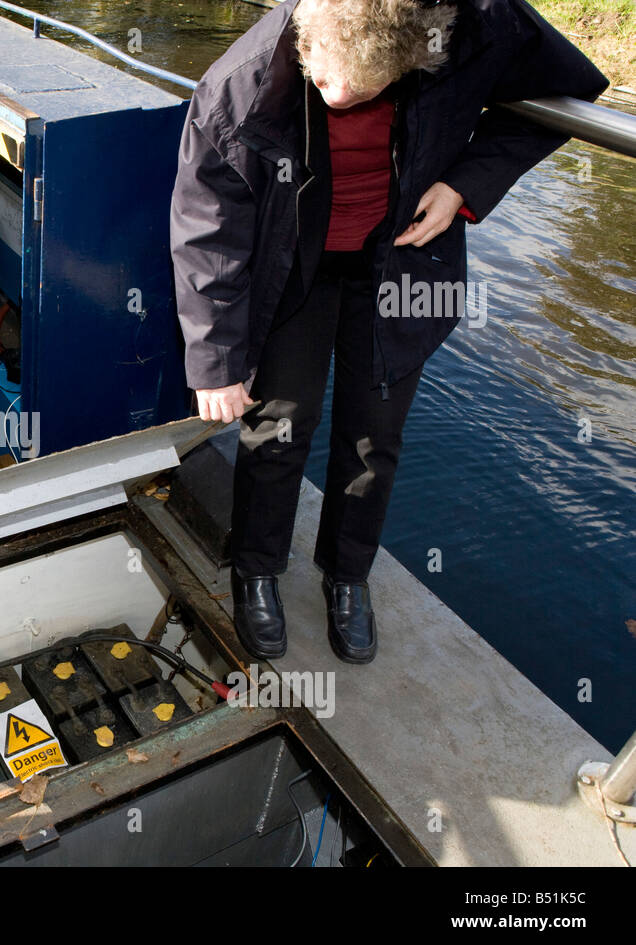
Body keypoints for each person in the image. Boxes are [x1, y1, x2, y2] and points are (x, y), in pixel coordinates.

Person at [170, 0, 606, 664]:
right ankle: (256, 568)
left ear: (415, 59)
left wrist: (464, 183)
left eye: (365, 91)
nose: (337, 97)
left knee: (375, 435)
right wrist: (215, 362)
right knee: (279, 425)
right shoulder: (243, 79)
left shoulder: (478, 22)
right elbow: (206, 226)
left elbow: (569, 89)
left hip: (399, 262)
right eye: (320, 82)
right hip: (293, 270)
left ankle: (346, 577)